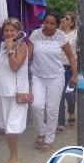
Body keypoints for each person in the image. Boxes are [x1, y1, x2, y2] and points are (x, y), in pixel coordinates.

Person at [28, 12, 77, 152]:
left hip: (56, 77)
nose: (48, 26)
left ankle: (49, 139)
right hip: (37, 76)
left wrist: (74, 75)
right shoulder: (35, 34)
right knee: (36, 106)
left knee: (52, 109)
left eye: (52, 23)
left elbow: (71, 56)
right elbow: (28, 55)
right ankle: (41, 132)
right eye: (46, 22)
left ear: (57, 25)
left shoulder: (61, 36)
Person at [0, 18, 29, 163]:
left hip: (16, 92)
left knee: (11, 127)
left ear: (18, 32)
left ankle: (15, 157)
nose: (8, 33)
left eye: (12, 30)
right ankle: (12, 155)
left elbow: (15, 67)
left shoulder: (22, 46)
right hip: (1, 91)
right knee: (6, 127)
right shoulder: (2, 46)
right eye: (6, 30)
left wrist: (10, 50)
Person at [57, 11, 77, 132]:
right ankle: (60, 123)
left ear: (72, 22)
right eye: (63, 17)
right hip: (58, 69)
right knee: (59, 96)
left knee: (69, 94)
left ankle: (71, 109)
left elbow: (79, 51)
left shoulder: (76, 34)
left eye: (67, 18)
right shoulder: (57, 34)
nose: (64, 19)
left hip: (70, 69)